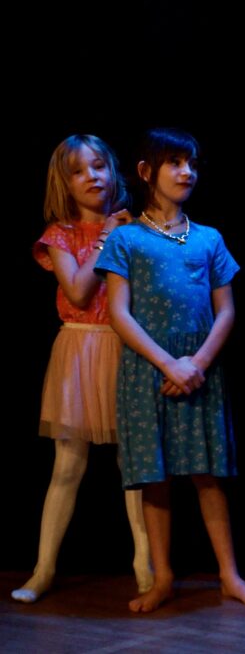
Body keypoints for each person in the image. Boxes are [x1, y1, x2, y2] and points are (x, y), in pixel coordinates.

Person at [96, 128, 245, 613]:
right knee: (156, 477)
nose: (187, 171)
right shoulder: (127, 238)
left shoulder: (209, 239)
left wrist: (196, 362)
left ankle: (229, 575)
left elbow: (227, 311)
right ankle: (162, 576)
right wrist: (168, 361)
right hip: (148, 371)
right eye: (174, 162)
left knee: (208, 476)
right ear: (148, 172)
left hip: (199, 370)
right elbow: (119, 313)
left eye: (191, 162)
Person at [13, 135, 150, 603]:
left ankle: (146, 568)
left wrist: (125, 234)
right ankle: (43, 570)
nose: (92, 177)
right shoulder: (60, 235)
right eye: (79, 171)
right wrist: (108, 237)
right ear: (65, 184)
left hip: (124, 350)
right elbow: (76, 290)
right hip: (78, 350)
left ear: (114, 172)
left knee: (134, 466)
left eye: (98, 166)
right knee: (68, 466)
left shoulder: (135, 229)